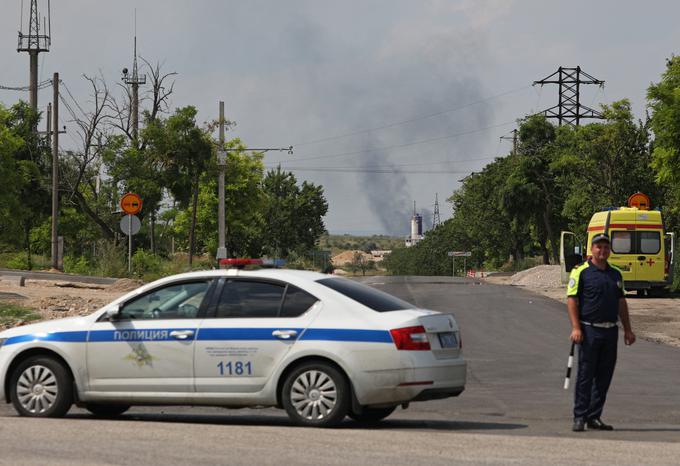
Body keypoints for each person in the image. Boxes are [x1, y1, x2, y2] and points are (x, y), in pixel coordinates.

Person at [566, 233, 636, 432]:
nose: (602, 250)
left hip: (610, 331)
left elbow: (621, 302)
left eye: (606, 247)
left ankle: (594, 416)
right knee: (585, 376)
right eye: (599, 247)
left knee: (604, 376)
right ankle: (579, 417)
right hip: (588, 330)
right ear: (592, 249)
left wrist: (628, 330)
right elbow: (572, 300)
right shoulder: (581, 271)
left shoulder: (615, 274)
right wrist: (576, 327)